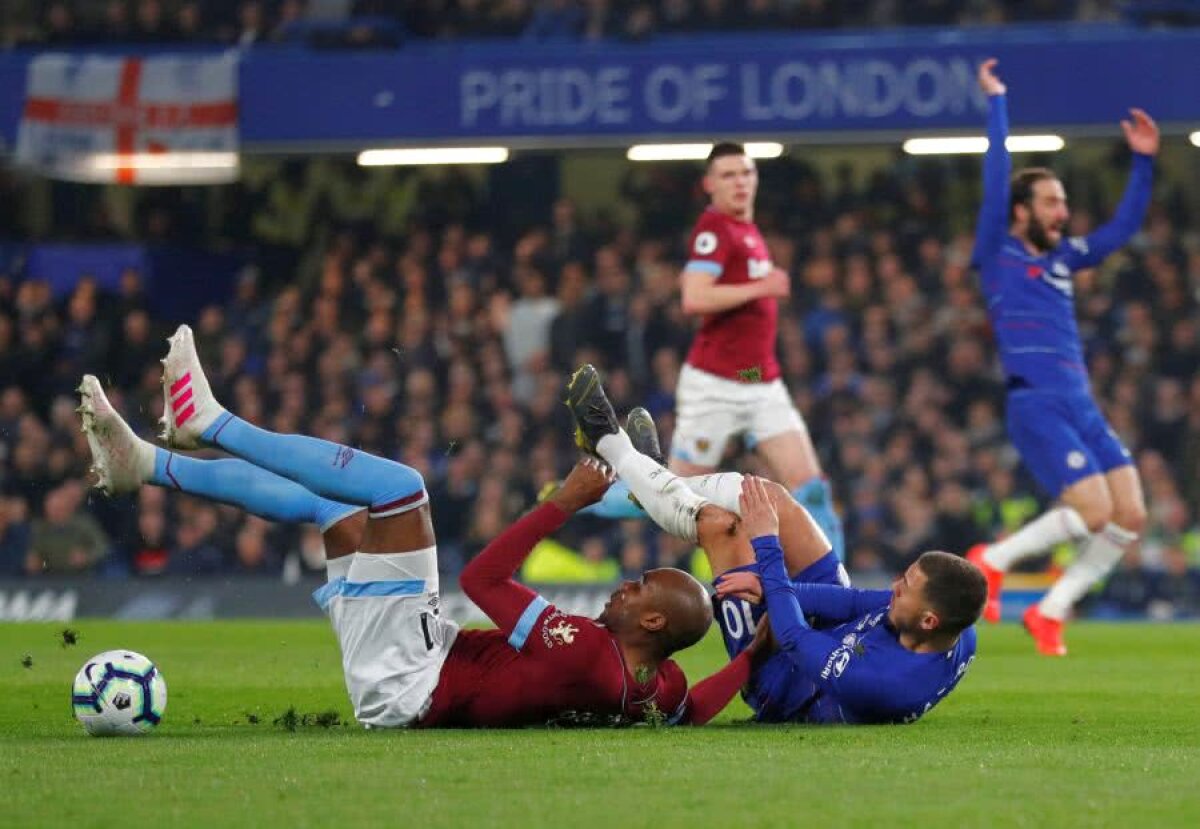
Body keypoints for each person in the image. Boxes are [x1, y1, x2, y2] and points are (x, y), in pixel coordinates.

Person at [77, 326, 754, 728]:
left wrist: (565, 504)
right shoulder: (651, 688)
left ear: (655, 624)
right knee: (334, 508)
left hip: (413, 676)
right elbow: (695, 705)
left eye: (640, 589)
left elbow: (480, 577)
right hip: (414, 668)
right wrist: (761, 647)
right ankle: (147, 463)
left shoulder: (587, 652)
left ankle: (212, 423)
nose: (625, 587)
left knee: (402, 490)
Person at [564, 364, 985, 724]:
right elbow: (855, 602)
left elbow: (792, 636)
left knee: (724, 527)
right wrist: (769, 586)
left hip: (782, 677)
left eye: (906, 586)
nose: (895, 585)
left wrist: (765, 546)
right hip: (826, 631)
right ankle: (654, 484)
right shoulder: (956, 627)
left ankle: (609, 444)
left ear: (929, 621)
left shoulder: (885, 685)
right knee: (768, 497)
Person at [965, 59, 1157, 656]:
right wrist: (997, 105)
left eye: (1063, 202)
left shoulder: (1064, 258)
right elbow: (997, 178)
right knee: (1095, 509)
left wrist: (1144, 161)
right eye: (1050, 201)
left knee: (1130, 515)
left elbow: (1121, 229)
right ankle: (989, 561)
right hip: (1035, 400)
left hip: (1079, 400)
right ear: (1021, 211)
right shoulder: (997, 251)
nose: (1062, 212)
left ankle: (1051, 610)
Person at [583, 142, 844, 561]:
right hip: (715, 387)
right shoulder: (714, 229)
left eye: (746, 173)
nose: (739, 182)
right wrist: (765, 286)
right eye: (728, 175)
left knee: (811, 489)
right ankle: (586, 494)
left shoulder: (747, 231)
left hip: (756, 382)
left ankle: (839, 592)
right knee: (673, 492)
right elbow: (695, 297)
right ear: (709, 185)